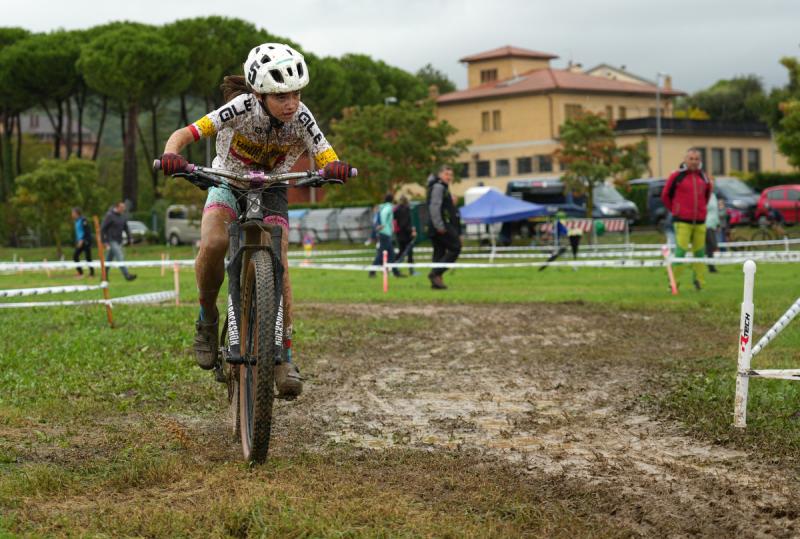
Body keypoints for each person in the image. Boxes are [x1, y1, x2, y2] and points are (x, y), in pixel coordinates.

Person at [158, 42, 353, 397]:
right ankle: (206, 318)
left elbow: (327, 155)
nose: (291, 103)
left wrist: (334, 167)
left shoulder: (302, 118)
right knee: (214, 243)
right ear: (259, 95)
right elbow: (186, 133)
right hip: (227, 182)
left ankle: (284, 358)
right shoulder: (240, 108)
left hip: (273, 188)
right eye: (281, 96)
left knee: (282, 265)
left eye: (296, 93)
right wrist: (172, 154)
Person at [660, 148, 712, 290]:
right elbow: (665, 195)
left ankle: (699, 282)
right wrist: (675, 210)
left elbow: (707, 195)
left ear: (700, 161)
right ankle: (674, 282)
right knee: (681, 251)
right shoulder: (677, 176)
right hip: (682, 221)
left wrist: (702, 210)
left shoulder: (704, 177)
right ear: (685, 160)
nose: (694, 162)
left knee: (700, 253)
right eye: (691, 159)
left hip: (700, 221)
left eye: (697, 159)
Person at [427, 166, 461, 289]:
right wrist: (439, 226)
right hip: (439, 225)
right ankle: (435, 273)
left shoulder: (440, 187)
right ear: (440, 174)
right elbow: (434, 207)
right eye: (447, 174)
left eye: (451, 175)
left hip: (434, 225)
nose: (449, 177)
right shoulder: (438, 187)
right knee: (456, 247)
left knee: (439, 252)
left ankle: (436, 283)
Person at [369, 193, 405, 278]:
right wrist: (384, 225)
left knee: (391, 254)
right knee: (382, 254)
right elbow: (384, 215)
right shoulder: (388, 207)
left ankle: (395, 272)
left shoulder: (383, 206)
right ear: (392, 199)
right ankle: (372, 271)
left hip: (385, 233)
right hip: (385, 233)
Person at [100, 201, 137, 282]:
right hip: (111, 240)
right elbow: (103, 228)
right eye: (122, 207)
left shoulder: (122, 217)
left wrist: (130, 238)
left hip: (119, 240)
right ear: (117, 207)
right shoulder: (109, 216)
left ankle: (103, 276)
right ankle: (127, 275)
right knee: (120, 257)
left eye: (124, 207)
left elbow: (126, 228)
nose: (124, 209)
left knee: (108, 259)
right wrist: (103, 241)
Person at [393, 195, 417, 275]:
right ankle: (411, 270)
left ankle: (393, 267)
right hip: (406, 234)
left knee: (401, 251)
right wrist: (412, 231)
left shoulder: (396, 210)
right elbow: (406, 223)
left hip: (398, 234)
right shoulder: (406, 209)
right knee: (409, 252)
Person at [71, 207, 94, 278]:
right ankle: (80, 273)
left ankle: (91, 274)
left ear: (76, 213)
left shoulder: (83, 220)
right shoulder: (76, 221)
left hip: (86, 241)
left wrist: (82, 240)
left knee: (88, 257)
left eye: (73, 213)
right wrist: (78, 241)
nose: (72, 214)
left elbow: (87, 231)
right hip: (80, 241)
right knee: (75, 256)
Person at [705, 190, 720, 273]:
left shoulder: (713, 196)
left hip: (713, 224)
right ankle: (710, 266)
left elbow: (716, 211)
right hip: (706, 224)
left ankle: (711, 267)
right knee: (712, 245)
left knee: (710, 247)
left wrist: (717, 223)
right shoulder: (704, 194)